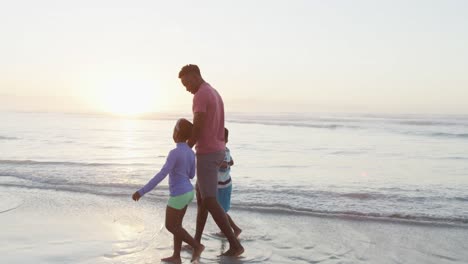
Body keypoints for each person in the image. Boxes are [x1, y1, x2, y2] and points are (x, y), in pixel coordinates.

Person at [179, 64, 244, 257]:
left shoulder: (200, 95)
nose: (186, 88)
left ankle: (235, 245)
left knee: (209, 200)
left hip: (207, 153)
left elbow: (197, 126)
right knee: (202, 201)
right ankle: (196, 243)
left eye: (186, 83)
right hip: (215, 150)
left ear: (195, 76)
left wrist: (186, 148)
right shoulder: (213, 91)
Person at [132, 118, 204, 264]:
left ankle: (197, 246)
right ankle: (176, 256)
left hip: (178, 194)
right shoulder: (191, 153)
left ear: (176, 134)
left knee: (170, 225)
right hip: (189, 192)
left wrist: (142, 191)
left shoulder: (174, 152)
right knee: (178, 226)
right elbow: (191, 175)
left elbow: (161, 174)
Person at [217, 128, 242, 237]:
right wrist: (227, 163)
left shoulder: (221, 152)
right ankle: (225, 230)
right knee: (220, 210)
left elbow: (224, 166)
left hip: (222, 185)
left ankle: (235, 229)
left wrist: (220, 163)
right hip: (225, 183)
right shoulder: (227, 150)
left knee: (220, 211)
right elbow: (232, 162)